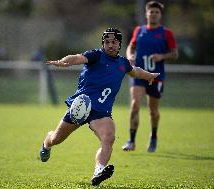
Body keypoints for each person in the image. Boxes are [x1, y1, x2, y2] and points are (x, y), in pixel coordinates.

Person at [39, 27, 159, 186]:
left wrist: (149, 76)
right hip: (81, 107)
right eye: (107, 42)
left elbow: (134, 71)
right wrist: (64, 61)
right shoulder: (96, 55)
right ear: (103, 44)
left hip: (101, 112)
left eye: (114, 42)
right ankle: (47, 142)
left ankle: (99, 171)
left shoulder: (123, 63)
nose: (110, 45)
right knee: (56, 139)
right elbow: (77, 58)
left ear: (120, 44)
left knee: (108, 137)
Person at [122, 1, 178, 153]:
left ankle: (153, 136)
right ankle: (131, 141)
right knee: (134, 105)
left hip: (156, 77)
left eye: (156, 12)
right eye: (151, 12)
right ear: (146, 13)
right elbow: (131, 46)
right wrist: (130, 56)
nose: (153, 14)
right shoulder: (139, 30)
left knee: (153, 111)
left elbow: (175, 53)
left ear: (160, 15)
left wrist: (162, 56)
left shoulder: (166, 33)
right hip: (138, 74)